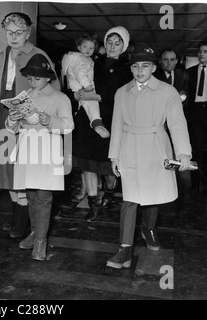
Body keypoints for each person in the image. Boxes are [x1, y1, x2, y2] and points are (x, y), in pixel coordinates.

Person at [106, 44, 192, 269]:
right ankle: (125, 248)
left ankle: (148, 229)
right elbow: (116, 125)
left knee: (152, 194)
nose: (139, 70)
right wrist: (114, 156)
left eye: (145, 66)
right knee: (130, 198)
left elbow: (177, 124)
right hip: (129, 147)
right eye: (135, 66)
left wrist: (183, 153)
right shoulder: (122, 92)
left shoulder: (168, 92)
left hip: (156, 147)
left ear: (154, 68)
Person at [0, 12, 60, 239]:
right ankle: (18, 217)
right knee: (6, 172)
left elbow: (54, 91)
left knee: (21, 171)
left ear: (28, 32)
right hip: (1, 117)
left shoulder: (38, 54)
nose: (13, 37)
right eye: (9, 32)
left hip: (27, 124)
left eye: (19, 32)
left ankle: (22, 223)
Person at [5, 54, 74, 261]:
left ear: (47, 77)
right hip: (26, 146)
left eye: (36, 78)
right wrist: (12, 118)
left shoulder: (60, 98)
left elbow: (69, 126)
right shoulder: (24, 95)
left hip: (47, 148)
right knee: (32, 195)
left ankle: (41, 243)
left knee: (43, 197)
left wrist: (49, 119)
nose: (32, 82)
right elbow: (11, 128)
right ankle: (35, 233)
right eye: (30, 78)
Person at [72, 26, 132, 221]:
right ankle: (93, 204)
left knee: (108, 169)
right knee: (88, 164)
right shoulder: (93, 62)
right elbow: (77, 80)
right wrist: (76, 93)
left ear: (124, 46)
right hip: (88, 120)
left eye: (117, 43)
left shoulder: (127, 69)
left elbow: (117, 96)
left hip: (111, 120)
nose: (112, 46)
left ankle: (108, 191)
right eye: (109, 42)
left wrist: (92, 95)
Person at [62, 33, 110, 138]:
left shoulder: (87, 60)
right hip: (81, 87)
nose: (88, 49)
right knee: (92, 104)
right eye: (85, 47)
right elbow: (80, 73)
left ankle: (96, 124)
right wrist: (88, 85)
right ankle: (96, 123)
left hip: (79, 88)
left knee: (85, 107)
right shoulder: (78, 59)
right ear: (78, 47)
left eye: (91, 48)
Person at [186, 41, 207, 192]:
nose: (202, 54)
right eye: (200, 51)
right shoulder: (190, 72)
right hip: (194, 112)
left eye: (205, 51)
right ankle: (195, 183)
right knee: (195, 147)